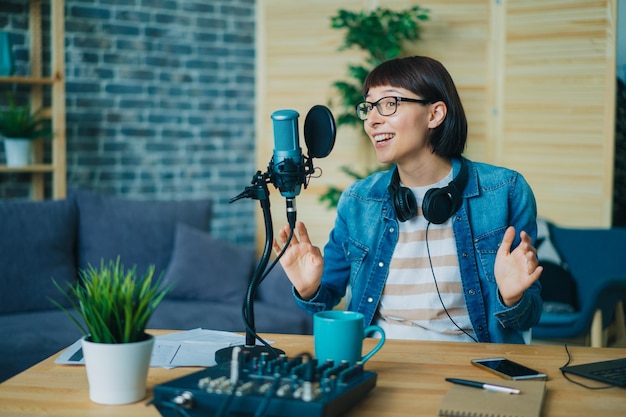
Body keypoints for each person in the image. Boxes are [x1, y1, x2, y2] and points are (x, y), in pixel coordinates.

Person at [273, 56, 543, 344]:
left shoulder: (505, 191)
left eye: (389, 104)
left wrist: (511, 297)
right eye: (369, 107)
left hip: (470, 364)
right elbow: (324, 299)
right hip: (378, 358)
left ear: (435, 114)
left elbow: (529, 314)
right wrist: (309, 289)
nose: (372, 120)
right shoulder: (359, 200)